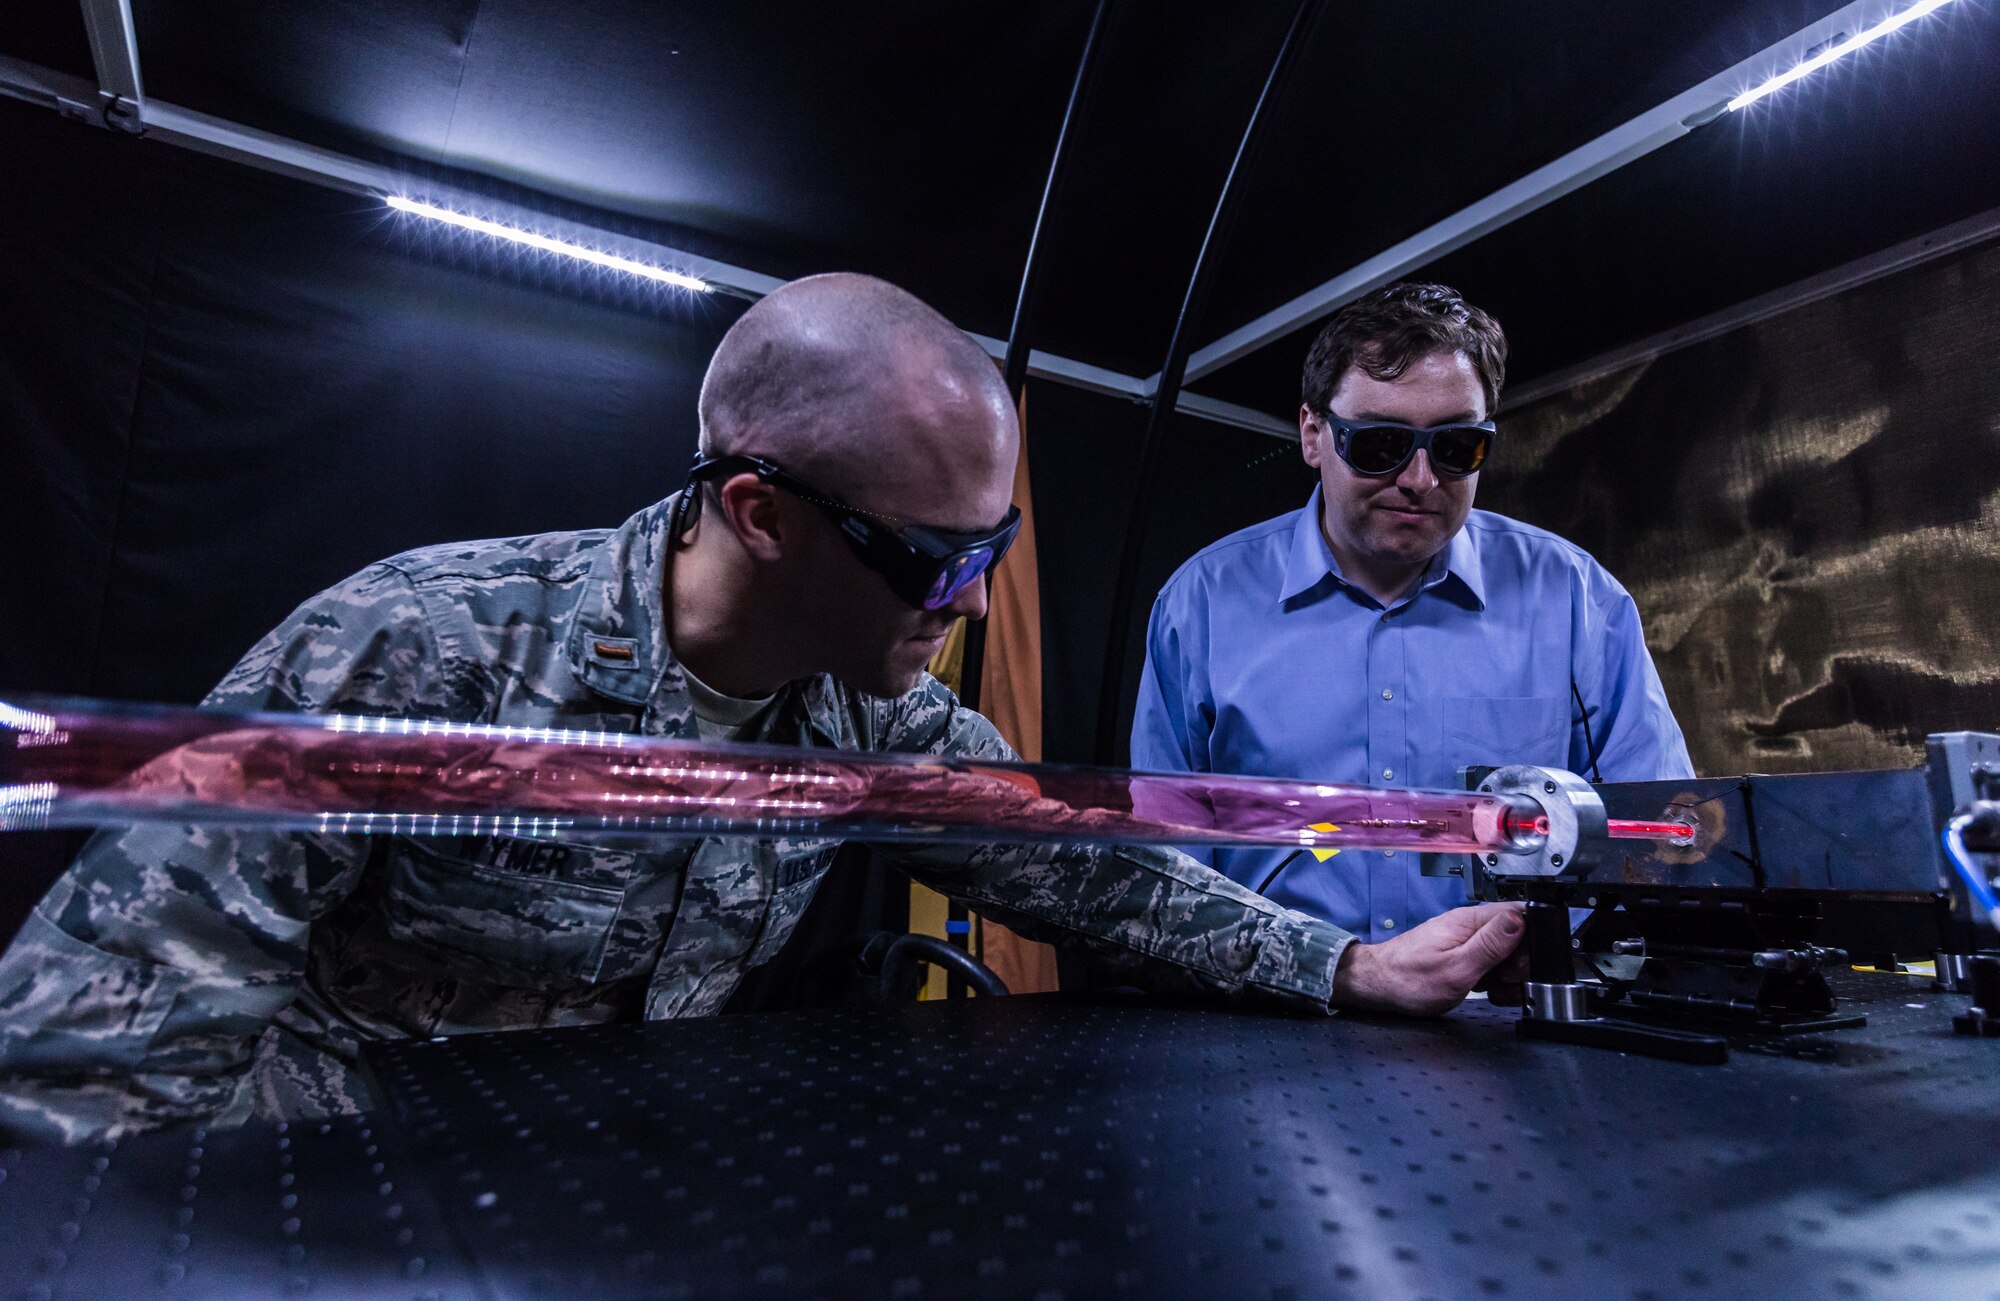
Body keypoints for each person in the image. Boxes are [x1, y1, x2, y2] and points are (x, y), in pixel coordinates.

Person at [0, 275, 1530, 1143]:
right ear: (762, 511)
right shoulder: (416, 649)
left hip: (594, 1195)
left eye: (990, 554)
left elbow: (1094, 868)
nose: (974, 608)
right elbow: (83, 1052)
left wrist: (1349, 969)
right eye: (938, 563)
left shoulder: (875, 722)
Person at [1132, 282, 1691, 940]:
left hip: (1514, 1018)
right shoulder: (1201, 607)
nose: (1420, 479)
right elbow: (1165, 875)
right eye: (1379, 445)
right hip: (1274, 1018)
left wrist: (1570, 946)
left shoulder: (1578, 603)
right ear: (1314, 434)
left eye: (1457, 448)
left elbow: (1663, 837)